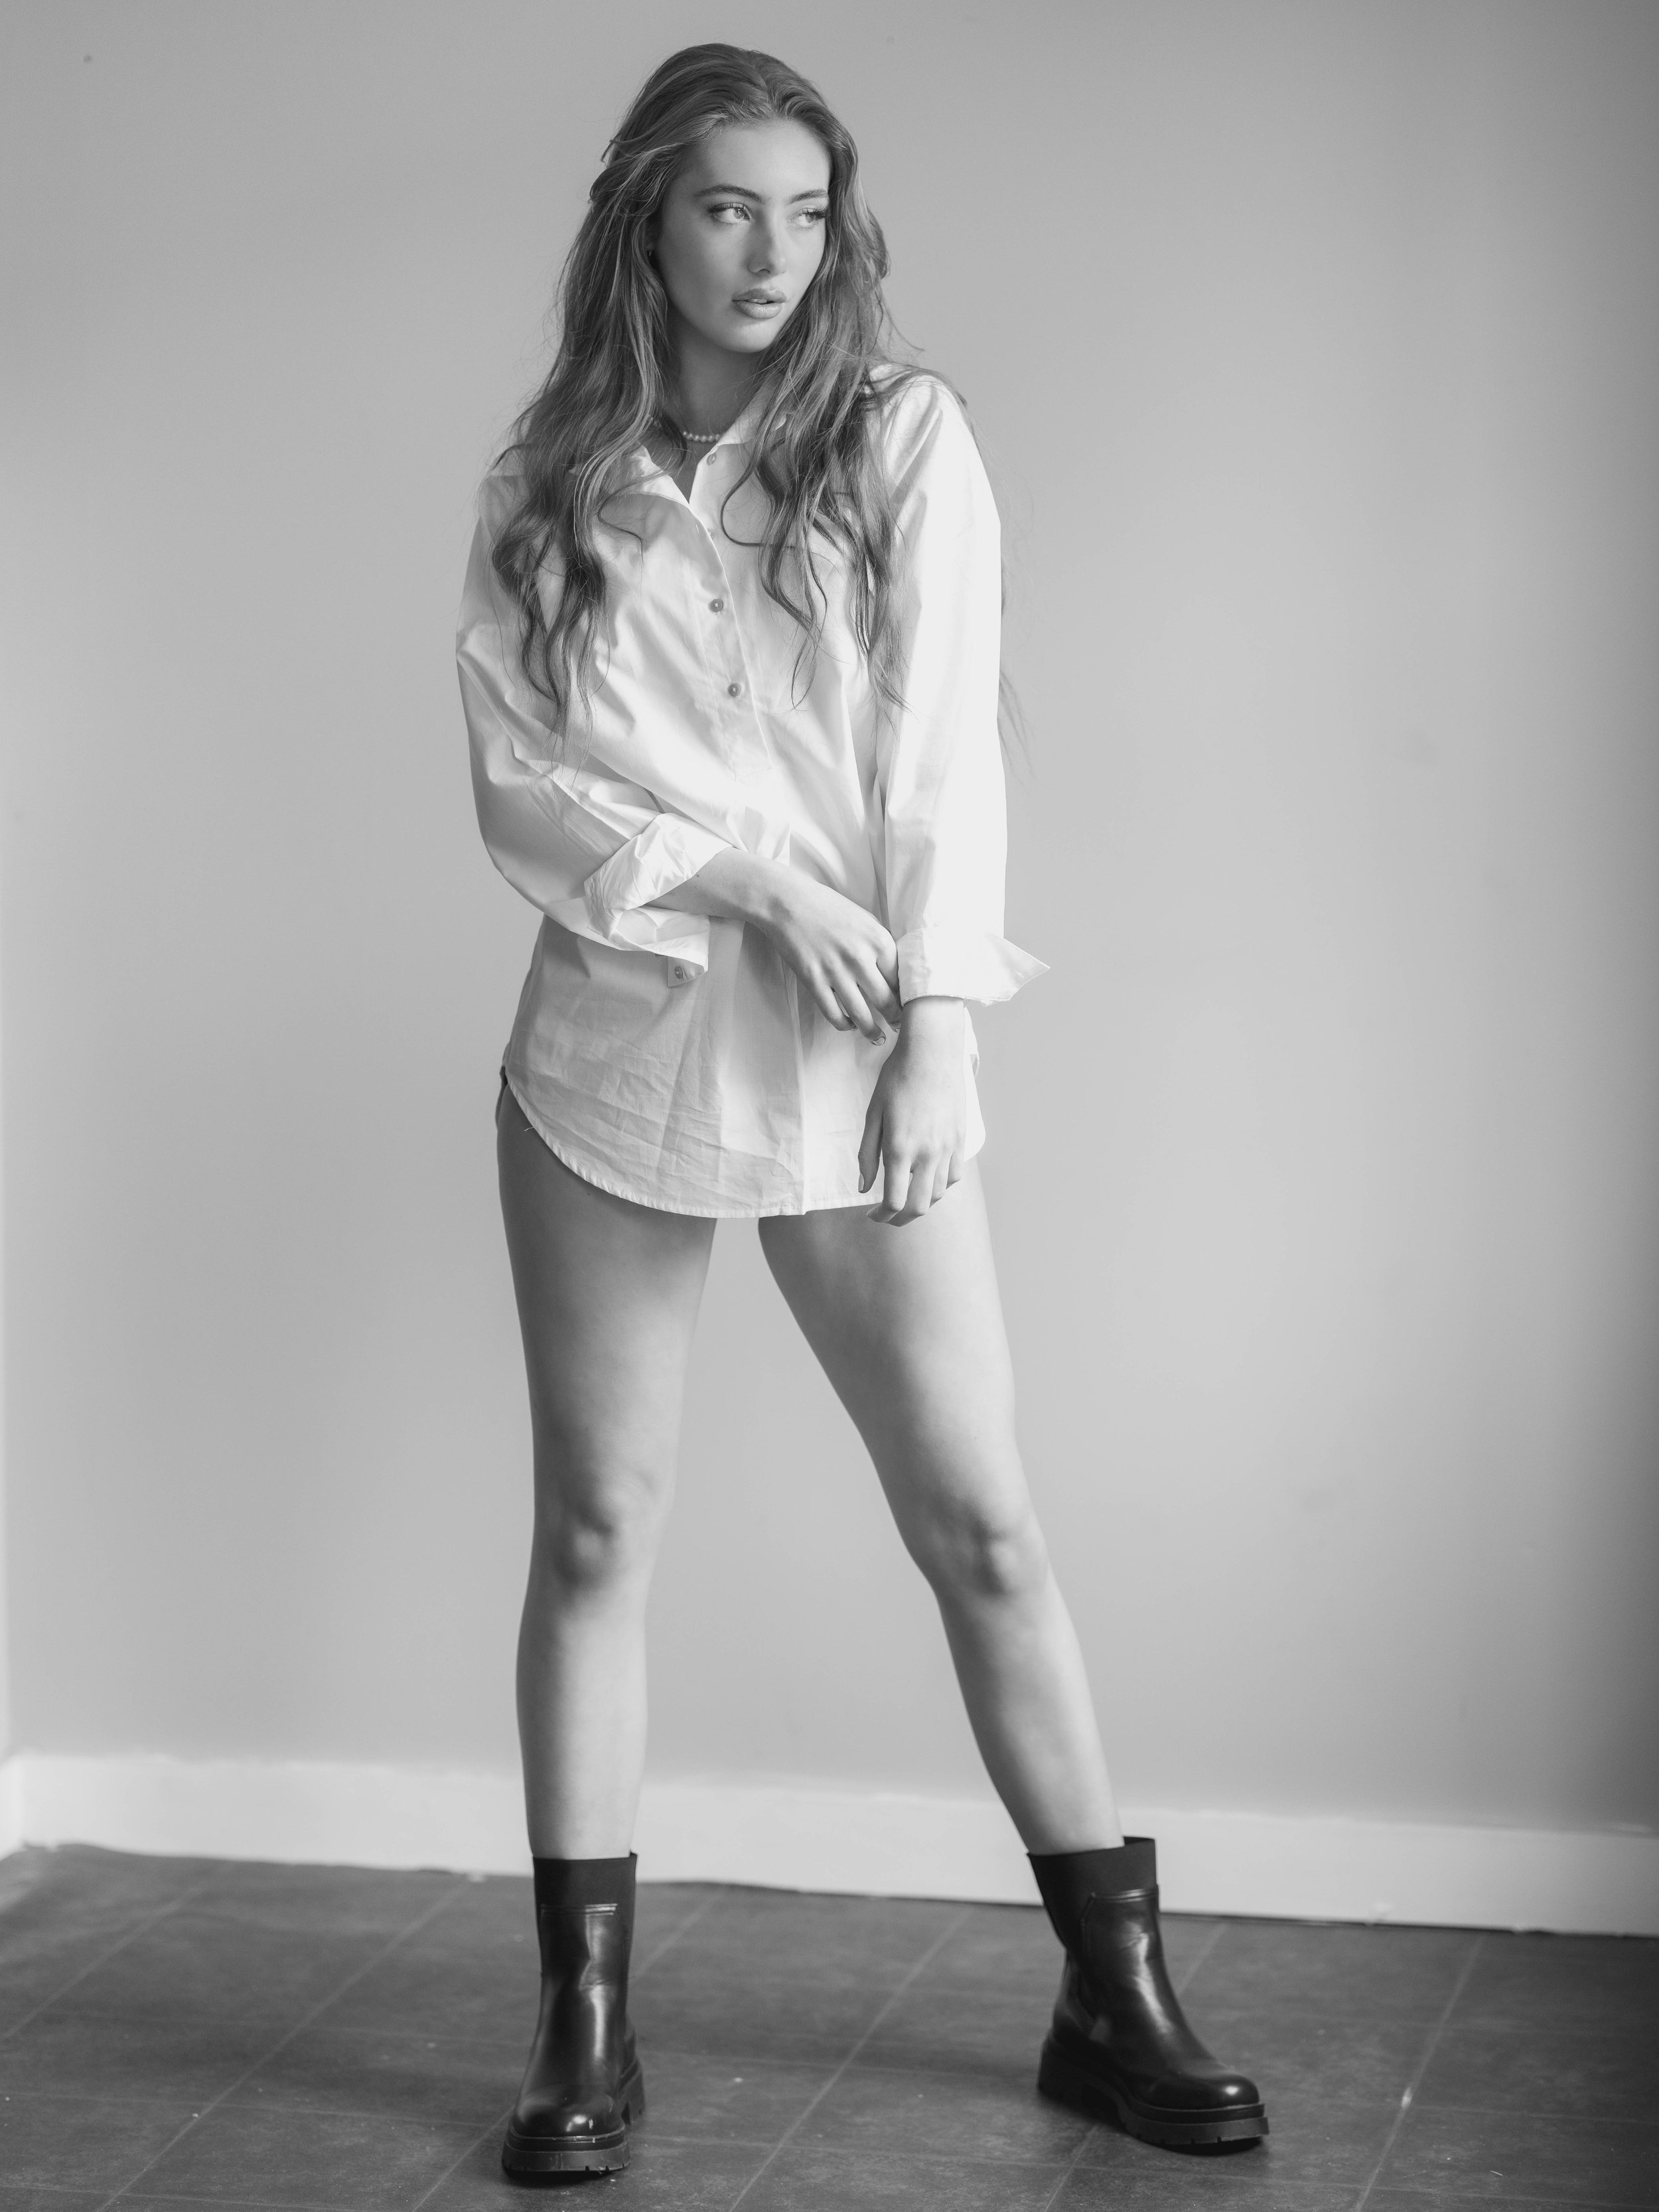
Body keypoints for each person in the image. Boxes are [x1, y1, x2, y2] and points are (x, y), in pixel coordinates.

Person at [457, 41, 1267, 2178]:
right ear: (645, 217)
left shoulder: (899, 436)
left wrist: (935, 1022)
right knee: (595, 1529)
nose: (771, 254)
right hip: (613, 1048)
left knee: (979, 1526)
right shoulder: (550, 478)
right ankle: (582, 2031)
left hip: (854, 1055)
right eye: (728, 206)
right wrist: (748, 883)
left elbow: (937, 763)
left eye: (806, 213)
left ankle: (1114, 1998)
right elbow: (522, 787)